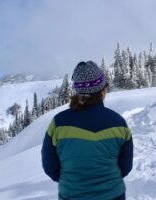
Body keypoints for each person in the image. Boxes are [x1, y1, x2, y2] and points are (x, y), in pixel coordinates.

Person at [41, 61, 133, 200]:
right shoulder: (119, 123)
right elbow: (125, 166)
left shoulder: (58, 123)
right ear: (102, 91)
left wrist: (72, 182)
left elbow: (50, 167)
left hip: (71, 195)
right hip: (114, 195)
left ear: (77, 91)